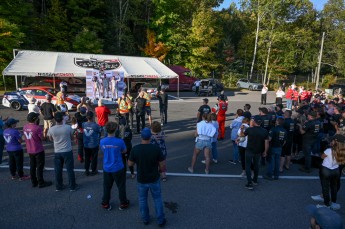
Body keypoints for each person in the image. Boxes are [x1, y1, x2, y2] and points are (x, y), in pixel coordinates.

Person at [128, 128, 166, 227]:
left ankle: (145, 219)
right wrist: (160, 171)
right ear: (150, 136)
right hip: (154, 178)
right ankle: (160, 220)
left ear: (141, 137)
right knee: (157, 198)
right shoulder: (155, 148)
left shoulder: (136, 149)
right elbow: (162, 165)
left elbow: (130, 163)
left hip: (142, 179)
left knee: (142, 199)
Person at [100, 121, 129, 211]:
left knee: (107, 186)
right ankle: (123, 203)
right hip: (118, 167)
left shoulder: (102, 141)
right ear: (116, 130)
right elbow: (124, 151)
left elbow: (103, 151)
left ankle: (105, 202)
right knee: (121, 186)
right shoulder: (120, 141)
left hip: (107, 167)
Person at [311, 134, 345, 210]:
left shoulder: (329, 150)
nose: (331, 141)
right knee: (334, 187)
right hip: (336, 170)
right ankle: (334, 203)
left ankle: (326, 204)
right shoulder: (343, 150)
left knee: (325, 187)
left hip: (326, 170)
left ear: (336, 141)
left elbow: (322, 156)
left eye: (332, 140)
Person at [47, 112, 77, 192]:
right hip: (67, 150)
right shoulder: (68, 127)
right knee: (70, 169)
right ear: (62, 118)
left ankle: (59, 186)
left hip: (57, 151)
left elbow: (50, 139)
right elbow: (71, 137)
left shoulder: (51, 129)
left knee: (58, 170)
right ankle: (72, 186)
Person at [23, 112, 52, 188]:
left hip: (30, 149)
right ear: (35, 119)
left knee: (32, 166)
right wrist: (45, 133)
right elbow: (42, 138)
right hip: (38, 149)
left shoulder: (25, 127)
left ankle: (34, 182)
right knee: (39, 166)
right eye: (37, 118)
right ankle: (41, 182)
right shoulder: (37, 128)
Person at [243, 115, 269, 190]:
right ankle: (255, 180)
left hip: (249, 150)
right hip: (258, 151)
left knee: (248, 166)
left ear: (254, 122)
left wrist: (242, 129)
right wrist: (265, 151)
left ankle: (249, 183)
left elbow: (242, 135)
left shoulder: (249, 129)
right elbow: (266, 142)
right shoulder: (264, 131)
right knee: (256, 165)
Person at [83, 111, 101, 176]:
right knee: (94, 158)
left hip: (86, 144)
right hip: (94, 144)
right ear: (93, 117)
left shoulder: (84, 124)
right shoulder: (96, 125)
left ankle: (86, 170)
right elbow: (99, 131)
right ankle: (93, 170)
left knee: (87, 158)